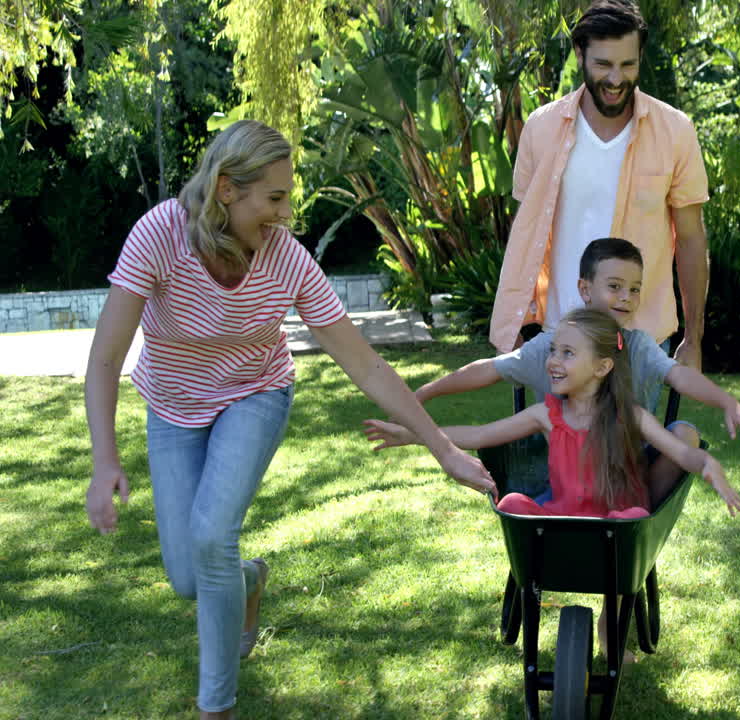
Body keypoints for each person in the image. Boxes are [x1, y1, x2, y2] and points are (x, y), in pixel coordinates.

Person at [83, 119, 496, 720]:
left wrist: (444, 451)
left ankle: (215, 707)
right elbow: (104, 358)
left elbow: (366, 364)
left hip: (255, 393)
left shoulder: (284, 259)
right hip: (174, 406)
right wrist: (104, 460)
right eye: (273, 198)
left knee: (210, 536)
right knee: (188, 577)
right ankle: (248, 583)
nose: (283, 213)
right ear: (227, 189)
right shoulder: (160, 237)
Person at [389, 237, 740, 507]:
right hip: (564, 481)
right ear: (585, 288)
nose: (625, 298)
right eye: (614, 286)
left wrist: (727, 402)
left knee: (685, 433)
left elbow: (679, 376)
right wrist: (420, 407)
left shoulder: (636, 348)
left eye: (634, 290)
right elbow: (487, 375)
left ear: (604, 367)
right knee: (516, 503)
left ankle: (637, 515)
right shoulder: (551, 352)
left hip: (632, 470)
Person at [490, 0, 711, 370]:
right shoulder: (541, 129)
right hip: (560, 339)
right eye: (603, 64)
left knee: (630, 432)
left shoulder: (675, 131)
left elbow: (691, 238)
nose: (615, 79)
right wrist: (512, 323)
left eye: (628, 64)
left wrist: (694, 338)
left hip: (643, 343)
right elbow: (525, 236)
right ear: (580, 54)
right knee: (558, 431)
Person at [365, 307, 740, 521]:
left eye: (567, 353)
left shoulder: (627, 415)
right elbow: (479, 435)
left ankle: (610, 619)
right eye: (553, 351)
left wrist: (707, 464)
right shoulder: (546, 415)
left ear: (601, 368)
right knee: (513, 504)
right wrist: (414, 434)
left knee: (629, 521)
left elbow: (679, 452)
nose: (553, 361)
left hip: (617, 521)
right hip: (560, 519)